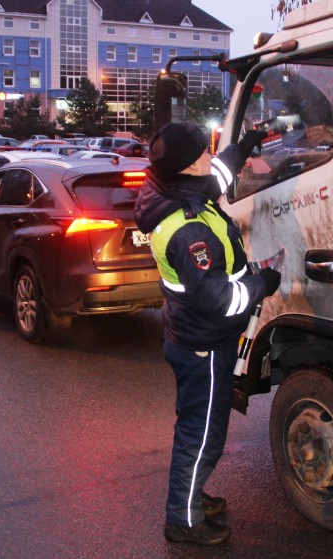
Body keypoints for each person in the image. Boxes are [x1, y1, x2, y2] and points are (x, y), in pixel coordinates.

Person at [134, 123, 280, 546]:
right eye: (203, 151)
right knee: (201, 435)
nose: (209, 156)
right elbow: (217, 299)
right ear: (187, 164)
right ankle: (183, 520)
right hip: (204, 344)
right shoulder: (188, 229)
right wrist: (260, 284)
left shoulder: (178, 188)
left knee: (199, 429)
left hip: (192, 337)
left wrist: (245, 146)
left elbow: (217, 172)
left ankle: (190, 496)